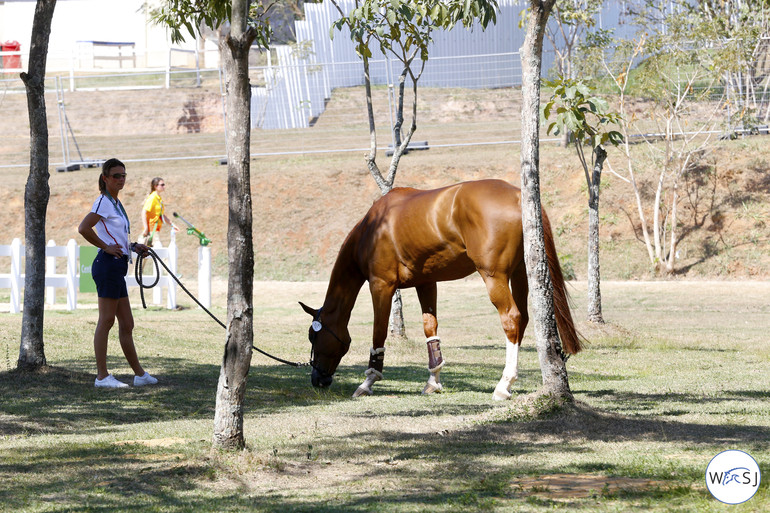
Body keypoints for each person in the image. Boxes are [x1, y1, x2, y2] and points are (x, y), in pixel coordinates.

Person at [78, 158, 159, 388]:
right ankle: (102, 377)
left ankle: (140, 375)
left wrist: (133, 246)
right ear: (105, 178)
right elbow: (84, 228)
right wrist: (104, 247)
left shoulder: (115, 202)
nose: (121, 179)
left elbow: (115, 234)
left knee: (127, 323)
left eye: (123, 175)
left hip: (116, 265)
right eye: (116, 176)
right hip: (107, 265)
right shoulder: (104, 201)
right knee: (106, 320)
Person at [139, 177, 179, 247]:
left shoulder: (158, 198)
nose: (164, 186)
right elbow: (143, 212)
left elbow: (161, 215)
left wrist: (172, 224)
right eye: (162, 185)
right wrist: (146, 228)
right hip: (151, 230)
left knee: (152, 253)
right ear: (155, 186)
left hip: (155, 229)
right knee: (159, 251)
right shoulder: (153, 197)